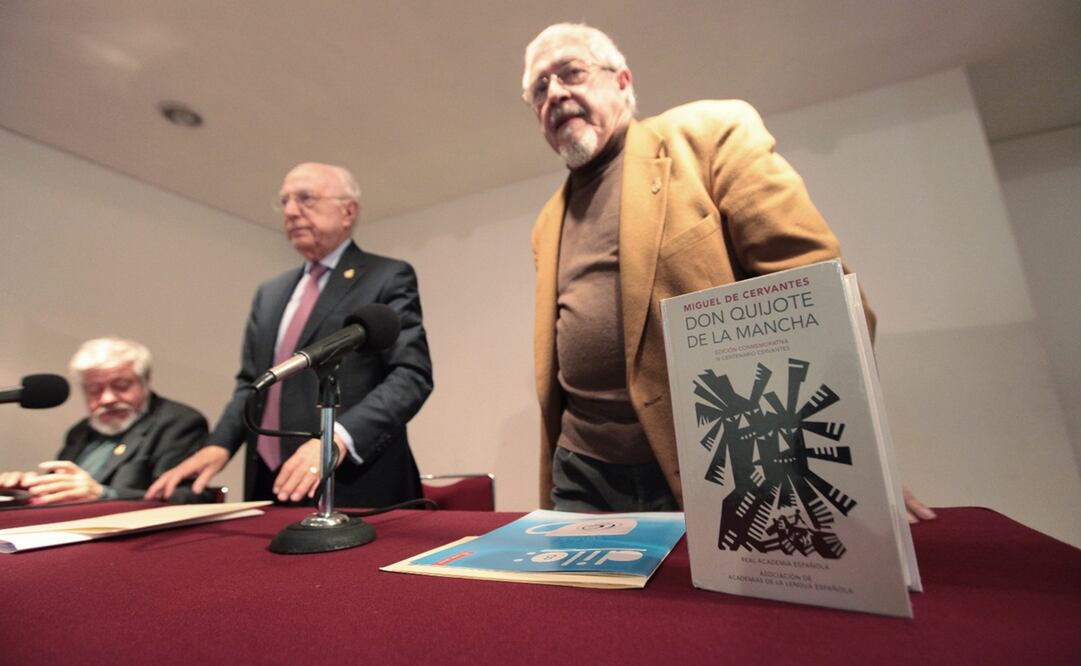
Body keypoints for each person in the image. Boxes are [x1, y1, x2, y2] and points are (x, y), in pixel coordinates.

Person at [521, 23, 936, 522]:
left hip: (716, 457)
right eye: (539, 89)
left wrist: (849, 455)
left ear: (623, 82)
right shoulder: (548, 219)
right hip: (581, 469)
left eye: (571, 73)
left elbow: (815, 287)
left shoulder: (709, 135)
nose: (556, 94)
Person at [147, 162, 433, 507]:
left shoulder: (387, 276)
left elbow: (411, 375)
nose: (291, 211)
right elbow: (251, 383)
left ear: (348, 211)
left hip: (353, 482)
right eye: (284, 202)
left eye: (305, 199)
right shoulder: (271, 293)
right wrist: (218, 444)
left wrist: (336, 439)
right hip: (268, 480)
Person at [0, 337, 208, 504]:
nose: (107, 399)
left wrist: (103, 494)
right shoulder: (80, 431)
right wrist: (26, 489)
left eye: (121, 385)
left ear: (146, 380)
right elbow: (62, 492)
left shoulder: (179, 423)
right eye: (94, 390)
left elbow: (185, 499)